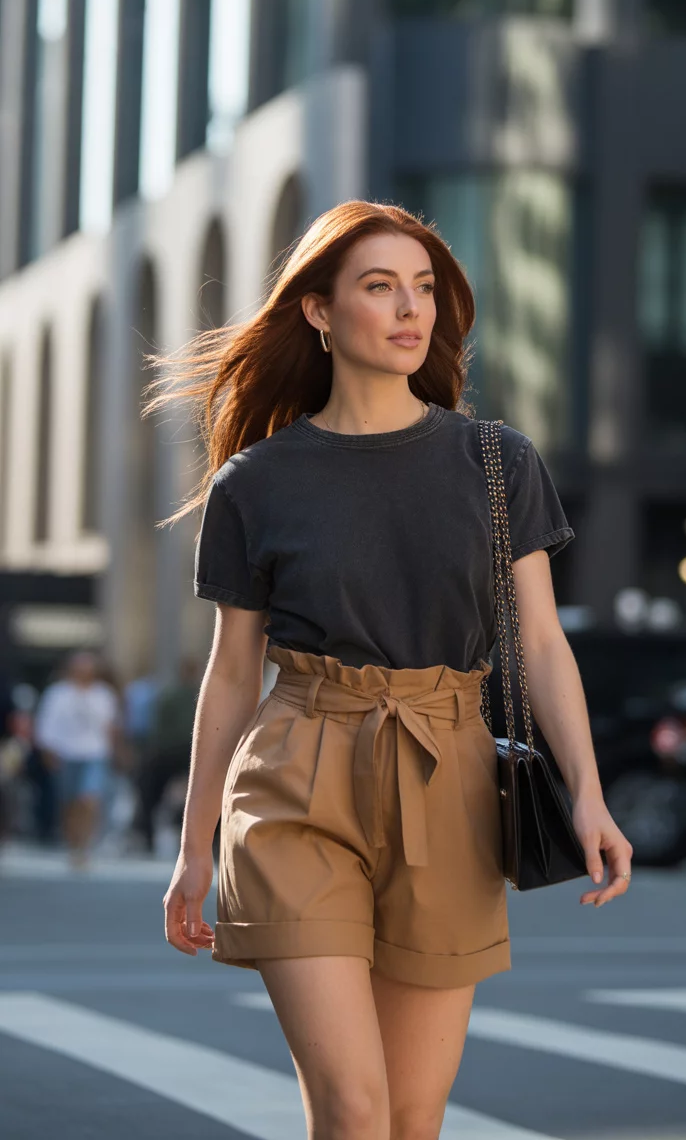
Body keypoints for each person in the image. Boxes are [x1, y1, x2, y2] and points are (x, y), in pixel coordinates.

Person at [149, 201, 633, 1140]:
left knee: (411, 1119)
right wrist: (193, 845)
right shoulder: (255, 482)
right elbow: (230, 675)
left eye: (426, 290)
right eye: (381, 288)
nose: (412, 311)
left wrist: (589, 793)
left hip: (447, 773)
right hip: (296, 780)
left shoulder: (496, 462)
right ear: (320, 314)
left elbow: (539, 643)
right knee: (354, 1107)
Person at [34, 650, 120, 867]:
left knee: (89, 801)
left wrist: (116, 752)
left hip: (95, 754)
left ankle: (85, 846)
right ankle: (73, 844)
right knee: (69, 804)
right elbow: (46, 723)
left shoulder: (103, 695)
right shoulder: (57, 694)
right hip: (65, 754)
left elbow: (110, 727)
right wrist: (48, 750)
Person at [134, 657, 199, 853]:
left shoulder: (180, 694)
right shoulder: (179, 695)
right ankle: (148, 834)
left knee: (150, 791)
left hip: (178, 750)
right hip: (179, 751)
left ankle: (148, 834)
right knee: (150, 791)